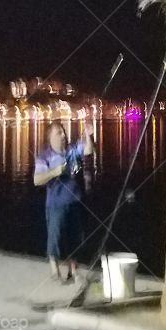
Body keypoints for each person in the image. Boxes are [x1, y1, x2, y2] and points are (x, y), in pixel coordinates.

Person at [33, 121, 96, 284]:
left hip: (75, 202)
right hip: (55, 204)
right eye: (58, 133)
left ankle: (73, 270)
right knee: (55, 236)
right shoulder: (44, 156)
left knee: (74, 237)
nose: (63, 136)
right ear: (50, 138)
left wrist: (89, 136)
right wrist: (54, 172)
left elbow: (89, 150)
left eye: (63, 132)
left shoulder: (72, 151)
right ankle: (54, 269)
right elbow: (37, 180)